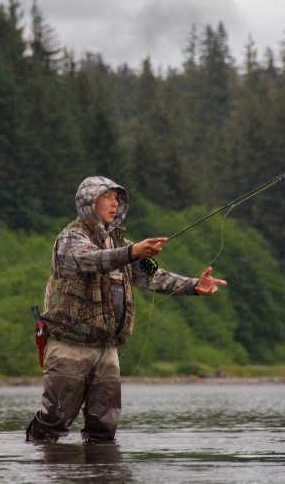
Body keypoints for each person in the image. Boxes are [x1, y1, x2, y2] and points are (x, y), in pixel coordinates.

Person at [26, 176, 227, 444]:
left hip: (108, 349)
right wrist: (132, 251)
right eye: (107, 197)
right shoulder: (70, 238)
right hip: (69, 346)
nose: (115, 203)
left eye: (117, 198)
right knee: (55, 419)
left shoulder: (120, 245)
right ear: (89, 202)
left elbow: (153, 275)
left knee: (104, 428)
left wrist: (194, 285)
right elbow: (91, 260)